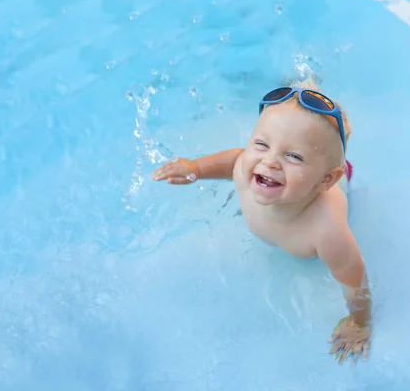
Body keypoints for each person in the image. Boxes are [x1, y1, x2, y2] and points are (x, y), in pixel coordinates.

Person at [151, 79, 371, 364]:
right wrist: (196, 168)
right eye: (262, 144)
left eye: (293, 156)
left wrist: (360, 323)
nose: (269, 162)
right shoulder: (246, 167)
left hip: (340, 182)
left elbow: (354, 280)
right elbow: (234, 160)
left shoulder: (327, 230)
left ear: (325, 179)